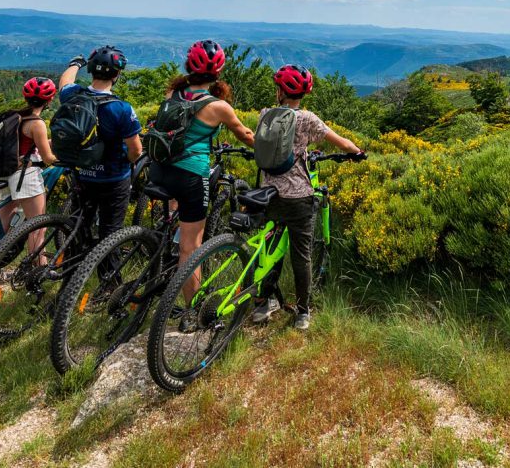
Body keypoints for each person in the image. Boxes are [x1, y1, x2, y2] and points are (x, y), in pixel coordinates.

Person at [150, 40, 254, 328]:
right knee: (191, 247)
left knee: (176, 221)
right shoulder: (219, 106)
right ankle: (192, 312)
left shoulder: (174, 92)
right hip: (190, 175)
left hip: (159, 169)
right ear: (218, 72)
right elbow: (245, 135)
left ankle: (158, 263)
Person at [252, 64, 363, 331]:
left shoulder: (266, 114)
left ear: (280, 91)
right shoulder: (308, 119)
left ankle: (262, 304)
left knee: (269, 249)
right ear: (303, 93)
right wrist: (357, 152)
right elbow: (340, 142)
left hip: (270, 194)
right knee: (301, 256)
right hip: (299, 197)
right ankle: (302, 313)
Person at [58, 46, 142, 254]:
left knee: (78, 226)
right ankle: (108, 283)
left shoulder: (73, 95)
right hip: (113, 178)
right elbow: (136, 150)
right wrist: (128, 160)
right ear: (117, 75)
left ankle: (71, 273)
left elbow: (65, 82)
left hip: (81, 175)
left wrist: (75, 64)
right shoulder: (121, 108)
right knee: (110, 235)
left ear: (92, 70)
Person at [2, 77, 60, 257]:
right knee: (37, 227)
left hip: (5, 171)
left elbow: (25, 143)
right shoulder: (37, 123)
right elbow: (48, 158)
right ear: (50, 100)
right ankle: (37, 270)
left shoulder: (15, 116)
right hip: (25, 176)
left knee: (2, 227)